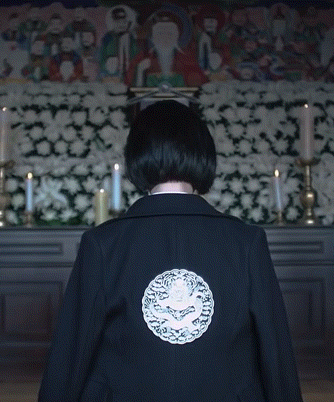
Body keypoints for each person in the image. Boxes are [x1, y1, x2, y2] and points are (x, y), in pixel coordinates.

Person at [38, 100, 303, 401]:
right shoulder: (246, 241)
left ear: (136, 157)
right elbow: (275, 354)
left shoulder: (102, 244)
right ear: (203, 155)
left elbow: (71, 353)